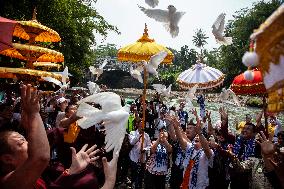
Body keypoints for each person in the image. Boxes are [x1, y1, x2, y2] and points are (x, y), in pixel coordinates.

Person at [169, 109, 214, 189]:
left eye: (199, 138)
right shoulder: (191, 148)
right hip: (186, 184)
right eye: (196, 137)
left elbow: (206, 148)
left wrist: (199, 133)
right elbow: (182, 141)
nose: (197, 137)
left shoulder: (207, 153)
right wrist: (176, 128)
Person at [129, 120, 151, 189]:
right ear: (137, 124)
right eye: (141, 124)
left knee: (141, 176)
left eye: (143, 124)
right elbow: (132, 142)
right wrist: (139, 135)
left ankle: (139, 186)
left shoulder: (146, 135)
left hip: (142, 159)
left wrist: (145, 149)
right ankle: (133, 185)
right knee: (134, 174)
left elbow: (149, 146)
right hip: (134, 158)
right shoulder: (132, 133)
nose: (142, 125)